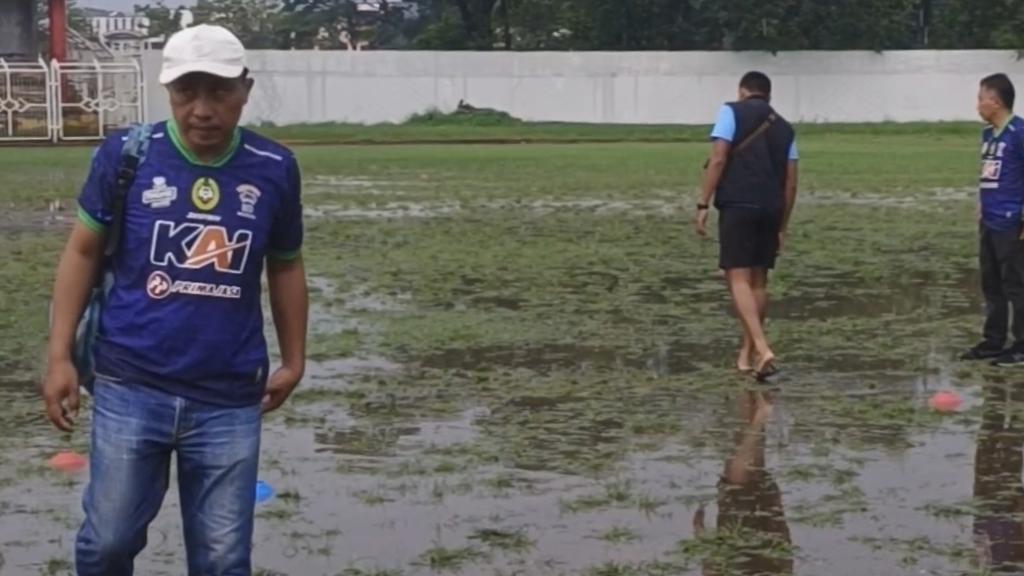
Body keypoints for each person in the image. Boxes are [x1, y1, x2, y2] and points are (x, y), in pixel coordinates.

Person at [41, 24, 308, 576]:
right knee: (107, 543)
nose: (203, 109)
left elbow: (285, 266)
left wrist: (295, 359)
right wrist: (60, 354)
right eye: (188, 92)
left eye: (219, 91)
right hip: (130, 385)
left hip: (230, 396)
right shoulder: (128, 156)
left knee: (222, 558)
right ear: (168, 91)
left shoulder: (275, 167)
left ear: (245, 90)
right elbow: (83, 253)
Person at [696, 71, 799, 380]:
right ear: (768, 96)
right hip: (771, 207)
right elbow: (792, 181)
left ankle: (762, 347)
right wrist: (783, 225)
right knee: (758, 282)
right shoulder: (785, 128)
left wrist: (703, 203)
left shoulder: (730, 111)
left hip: (739, 204)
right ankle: (747, 355)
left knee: (737, 278)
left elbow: (717, 159)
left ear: (742, 91)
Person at [693, 391, 793, 575]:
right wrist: (701, 537)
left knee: (749, 465)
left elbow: (786, 565)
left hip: (761, 545)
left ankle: (750, 381)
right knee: (738, 481)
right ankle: (761, 412)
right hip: (745, 550)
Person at [961, 74, 1024, 367]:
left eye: (980, 98)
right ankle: (993, 341)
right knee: (992, 284)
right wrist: (981, 205)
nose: (977, 105)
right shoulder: (988, 135)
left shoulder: (1019, 132)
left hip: (1013, 223)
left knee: (1016, 285)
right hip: (989, 220)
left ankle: (1021, 345)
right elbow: (989, 175)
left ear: (995, 101)